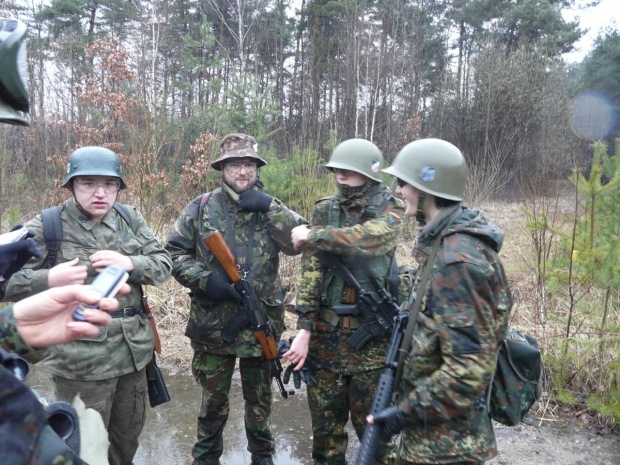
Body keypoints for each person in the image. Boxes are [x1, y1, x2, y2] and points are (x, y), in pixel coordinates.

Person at [2, 145, 173, 465]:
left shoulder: (130, 217)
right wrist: (48, 279)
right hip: (80, 361)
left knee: (125, 445)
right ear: (71, 186)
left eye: (109, 184)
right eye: (88, 183)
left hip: (134, 355)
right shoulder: (47, 225)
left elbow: (163, 265)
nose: (100, 193)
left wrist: (130, 263)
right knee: (85, 451)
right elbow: (3, 280)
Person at [368, 138, 513, 464]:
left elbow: (469, 370)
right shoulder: (445, 244)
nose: (398, 189)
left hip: (447, 446)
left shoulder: (457, 259)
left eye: (404, 182)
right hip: (435, 435)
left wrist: (405, 413)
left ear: (426, 188)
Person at [165, 133, 307, 465]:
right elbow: (173, 253)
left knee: (259, 402)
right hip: (213, 325)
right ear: (222, 167)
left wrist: (273, 207)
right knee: (212, 404)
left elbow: (301, 240)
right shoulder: (201, 207)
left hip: (261, 325)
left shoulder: (270, 207)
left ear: (256, 168)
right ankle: (205, 457)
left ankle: (262, 456)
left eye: (248, 165)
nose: (242, 171)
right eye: (234, 165)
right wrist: (206, 281)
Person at [283, 139, 405, 465]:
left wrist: (315, 235)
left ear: (368, 172)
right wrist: (304, 329)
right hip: (325, 340)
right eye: (337, 169)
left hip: (373, 348)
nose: (341, 175)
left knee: (376, 440)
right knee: (326, 439)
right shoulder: (325, 209)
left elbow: (369, 238)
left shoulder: (391, 208)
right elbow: (311, 271)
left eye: (349, 170)